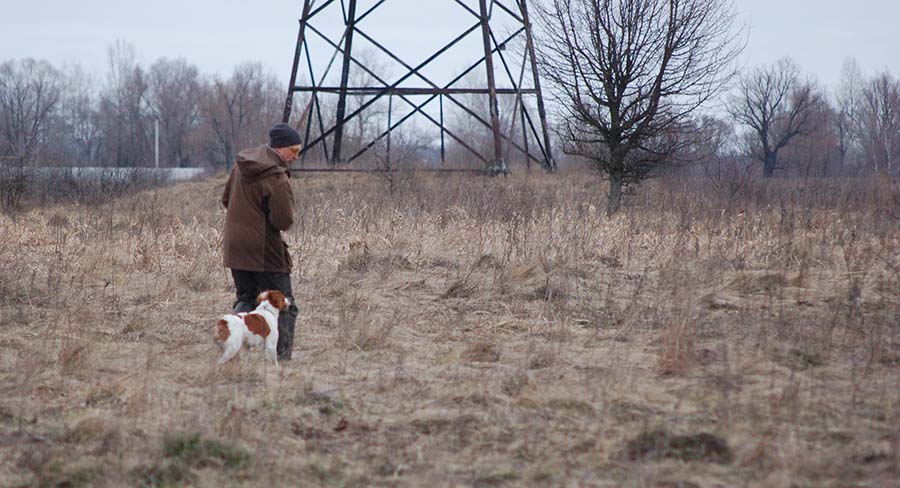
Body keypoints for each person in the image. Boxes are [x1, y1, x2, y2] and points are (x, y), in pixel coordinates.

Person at [221, 123, 301, 360]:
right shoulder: (276, 177)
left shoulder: (239, 166)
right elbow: (283, 221)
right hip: (265, 251)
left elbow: (226, 199)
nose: (296, 157)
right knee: (285, 306)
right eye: (293, 151)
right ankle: (281, 359)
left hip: (236, 248)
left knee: (246, 298)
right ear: (280, 148)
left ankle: (232, 346)